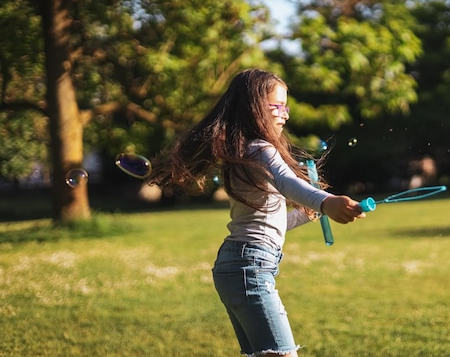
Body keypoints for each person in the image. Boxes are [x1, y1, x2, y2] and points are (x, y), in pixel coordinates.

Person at [149, 68, 366, 357]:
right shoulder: (261, 150)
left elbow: (266, 224)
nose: (285, 114)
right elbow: (288, 184)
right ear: (253, 108)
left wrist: (309, 214)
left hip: (236, 265)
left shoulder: (242, 153)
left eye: (285, 107)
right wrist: (325, 202)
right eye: (277, 106)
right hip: (249, 268)